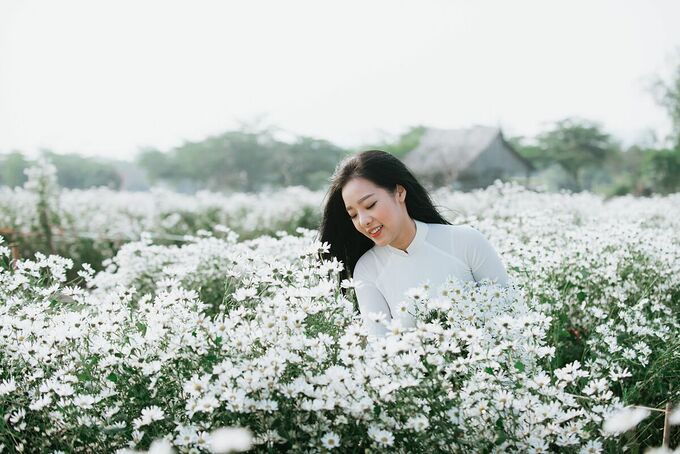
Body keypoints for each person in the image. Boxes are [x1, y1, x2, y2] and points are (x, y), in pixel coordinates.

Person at [318, 150, 509, 337]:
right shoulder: (367, 270)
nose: (363, 220)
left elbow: (509, 314)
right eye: (353, 214)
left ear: (399, 193)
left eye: (370, 205)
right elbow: (380, 350)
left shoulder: (467, 241)